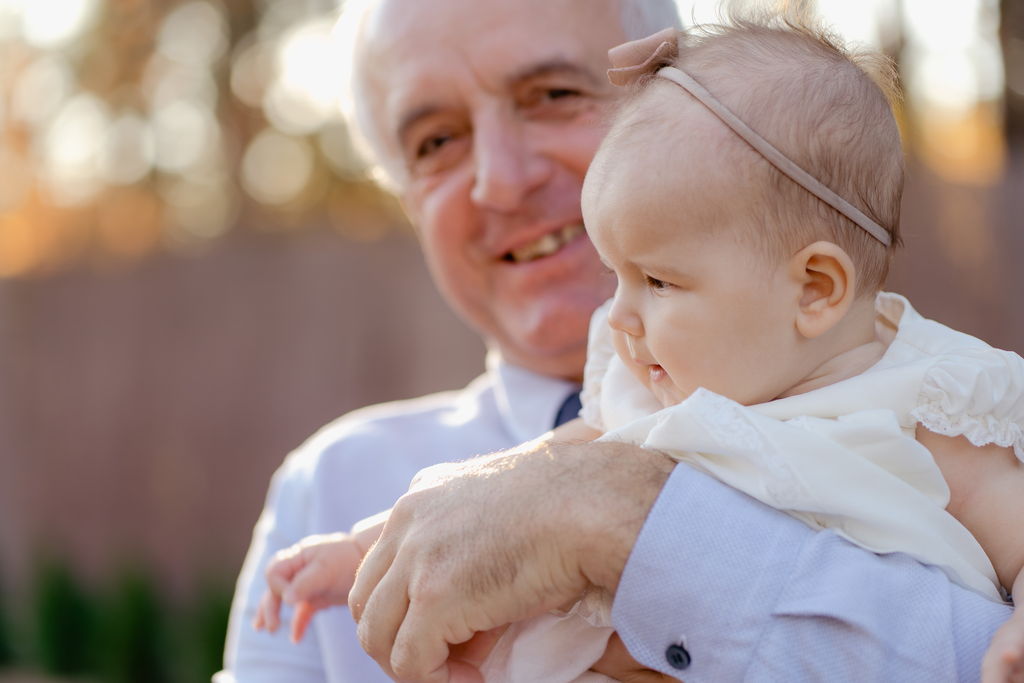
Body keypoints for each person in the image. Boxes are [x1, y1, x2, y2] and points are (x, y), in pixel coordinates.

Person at [218, 0, 1014, 681]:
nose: (500, 178)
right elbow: (449, 507)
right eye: (434, 141)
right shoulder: (327, 485)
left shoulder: (919, 401)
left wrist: (637, 527)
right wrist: (366, 547)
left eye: (553, 93)